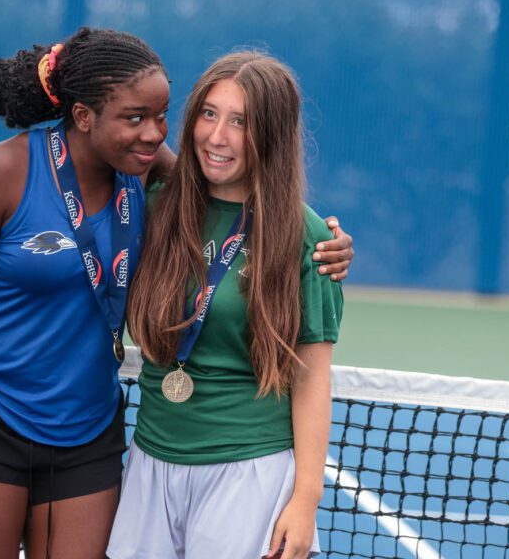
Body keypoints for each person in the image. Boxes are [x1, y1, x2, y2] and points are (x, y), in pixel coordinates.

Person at [0, 28, 352, 559]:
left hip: (93, 435)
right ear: (85, 115)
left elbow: (230, 203)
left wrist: (323, 240)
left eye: (162, 118)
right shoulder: (11, 173)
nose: (155, 134)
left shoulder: (152, 179)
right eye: (137, 118)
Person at [107, 52, 341, 559]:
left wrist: (306, 499)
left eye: (241, 122)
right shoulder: (155, 204)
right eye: (209, 114)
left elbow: (312, 378)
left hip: (248, 472)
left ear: (272, 134)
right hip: (150, 460)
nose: (217, 136)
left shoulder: (308, 239)